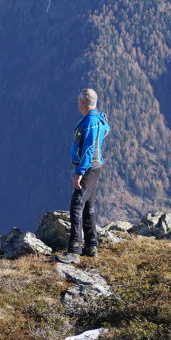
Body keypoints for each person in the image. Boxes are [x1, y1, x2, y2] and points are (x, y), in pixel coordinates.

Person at [59, 88, 110, 263]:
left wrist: (79, 173)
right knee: (89, 206)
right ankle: (91, 246)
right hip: (96, 166)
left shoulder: (90, 122)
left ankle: (74, 250)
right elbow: (105, 131)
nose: (77, 103)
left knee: (77, 205)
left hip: (88, 168)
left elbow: (88, 149)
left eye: (78, 100)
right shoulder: (98, 119)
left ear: (82, 102)